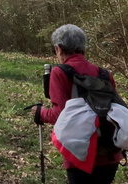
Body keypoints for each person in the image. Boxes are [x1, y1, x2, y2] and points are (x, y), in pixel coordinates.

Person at [32, 24, 122, 184]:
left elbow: (60, 115)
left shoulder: (60, 72)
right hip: (109, 153)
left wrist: (40, 112)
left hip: (80, 155)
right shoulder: (104, 74)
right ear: (83, 48)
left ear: (59, 49)